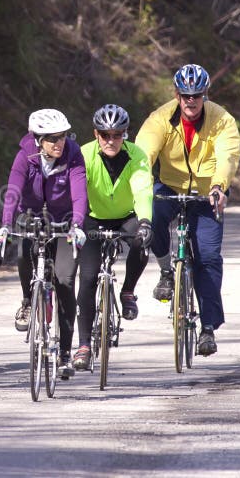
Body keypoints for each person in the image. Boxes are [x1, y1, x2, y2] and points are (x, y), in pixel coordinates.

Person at [135, 64, 240, 356]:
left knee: (207, 257)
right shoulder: (160, 118)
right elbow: (142, 156)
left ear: (205, 94)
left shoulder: (221, 119)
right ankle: (167, 270)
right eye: (185, 95)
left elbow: (228, 155)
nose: (190, 101)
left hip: (209, 191)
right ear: (177, 94)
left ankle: (207, 329)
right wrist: (139, 185)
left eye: (196, 95)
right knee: (151, 217)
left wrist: (219, 186)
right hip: (170, 186)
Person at [0, 109, 87, 377]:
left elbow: (80, 192)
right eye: (51, 138)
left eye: (62, 136)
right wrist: (5, 224)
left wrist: (78, 225)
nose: (59, 143)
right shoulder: (25, 155)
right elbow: (12, 190)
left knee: (66, 281)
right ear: (38, 140)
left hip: (65, 219)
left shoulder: (73, 154)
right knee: (24, 253)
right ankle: (27, 299)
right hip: (31, 215)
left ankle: (66, 354)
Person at [72, 104, 153, 370]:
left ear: (125, 135)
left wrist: (145, 222)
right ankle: (83, 345)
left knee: (142, 242)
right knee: (86, 279)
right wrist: (77, 222)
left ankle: (127, 291)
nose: (111, 140)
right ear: (96, 134)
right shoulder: (82, 154)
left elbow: (142, 189)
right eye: (105, 135)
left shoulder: (137, 155)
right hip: (92, 217)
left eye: (117, 135)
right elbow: (77, 191)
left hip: (125, 215)